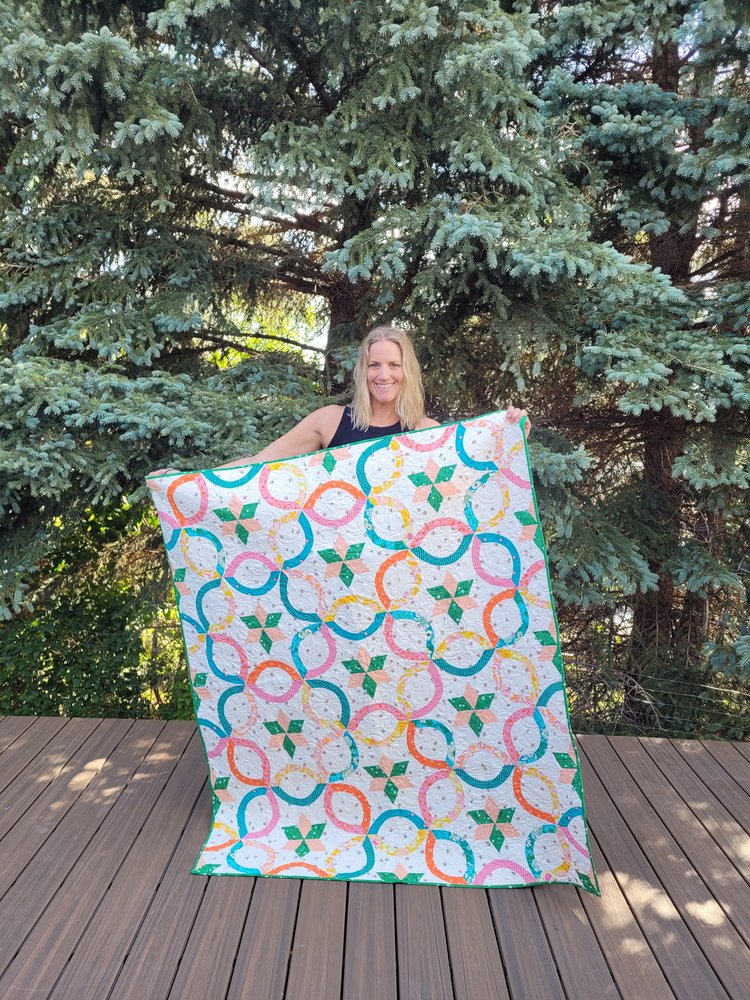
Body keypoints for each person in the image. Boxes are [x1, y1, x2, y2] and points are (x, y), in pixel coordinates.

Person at [219, 324, 528, 468]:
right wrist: (182, 481)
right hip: (335, 563)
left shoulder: (425, 432)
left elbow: (475, 473)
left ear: (407, 371)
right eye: (375, 365)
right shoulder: (329, 421)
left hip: (398, 572)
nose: (384, 375)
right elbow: (259, 463)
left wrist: (514, 433)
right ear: (363, 370)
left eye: (394, 365)